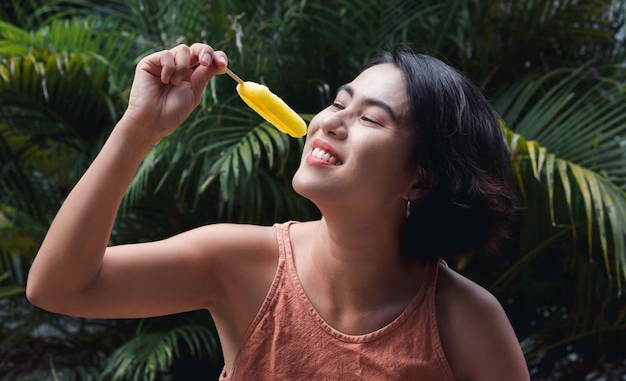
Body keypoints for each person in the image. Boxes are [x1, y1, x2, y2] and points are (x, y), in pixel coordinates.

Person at [26, 43, 530, 380]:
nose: (329, 123)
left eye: (371, 120)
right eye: (338, 103)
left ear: (420, 179)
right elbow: (59, 287)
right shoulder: (235, 263)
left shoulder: (466, 321)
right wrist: (140, 127)